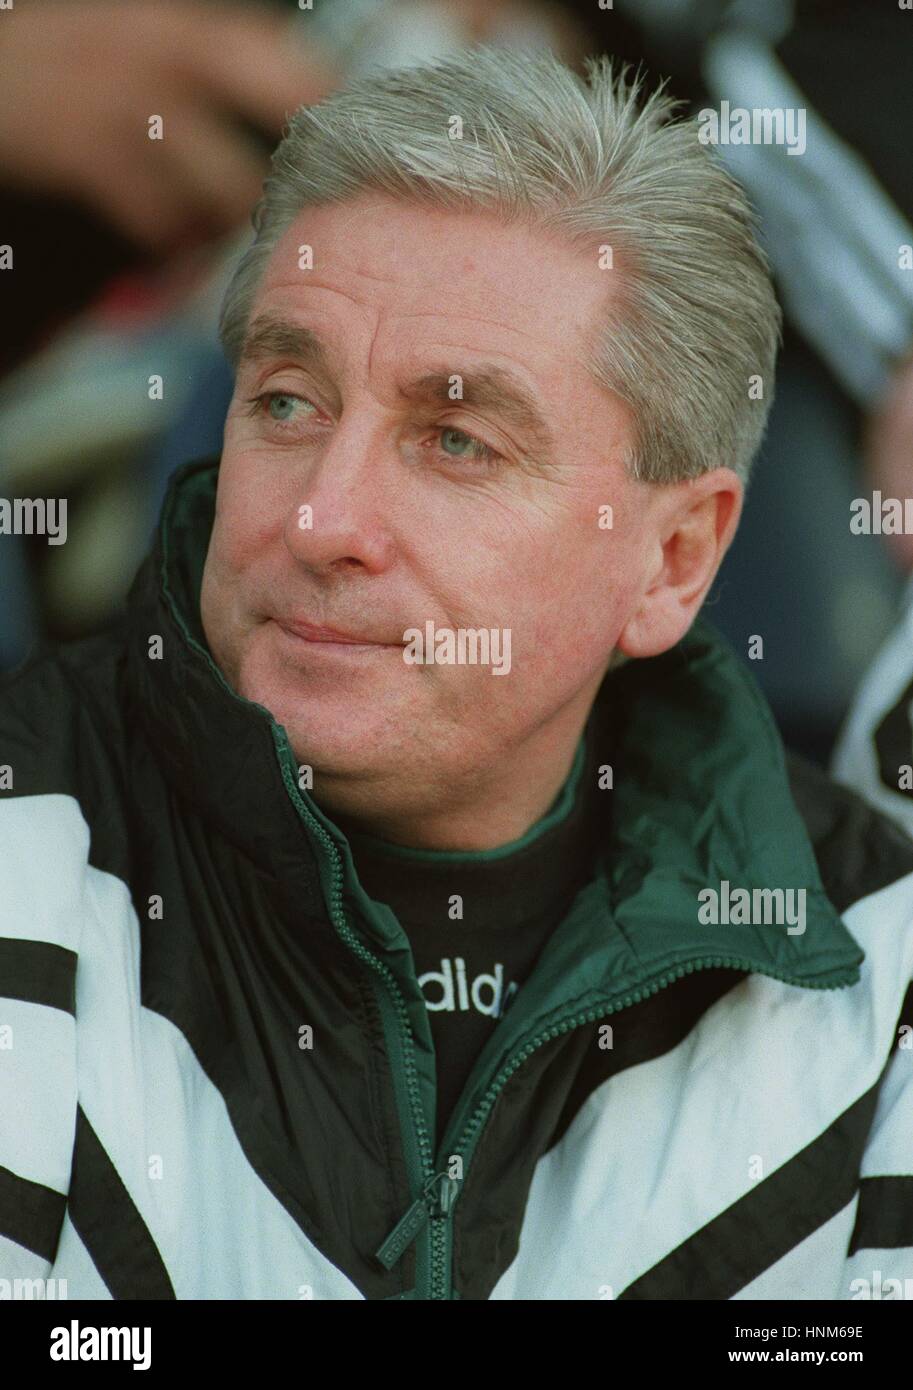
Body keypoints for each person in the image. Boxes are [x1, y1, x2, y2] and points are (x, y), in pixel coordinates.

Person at [2, 46, 912, 1302]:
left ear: (673, 559)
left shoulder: (882, 981)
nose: (321, 519)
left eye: (454, 439)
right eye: (284, 403)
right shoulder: (24, 854)